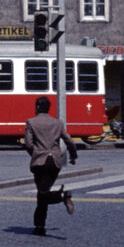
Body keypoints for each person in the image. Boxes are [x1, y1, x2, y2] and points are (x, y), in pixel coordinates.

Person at [23, 95, 77, 236]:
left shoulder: (31, 122)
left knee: (42, 193)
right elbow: (69, 140)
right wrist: (73, 156)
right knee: (43, 192)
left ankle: (63, 197)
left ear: (38, 107)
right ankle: (40, 226)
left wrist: (35, 154)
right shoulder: (57, 123)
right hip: (55, 163)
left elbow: (28, 143)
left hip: (39, 162)